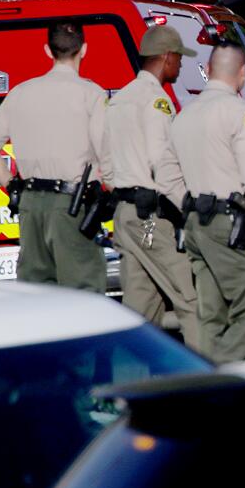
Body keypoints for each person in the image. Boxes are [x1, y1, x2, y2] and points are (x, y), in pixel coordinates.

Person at [170, 41, 245, 363]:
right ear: (243, 73)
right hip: (227, 223)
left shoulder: (184, 115)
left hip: (194, 223)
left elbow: (168, 170)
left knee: (211, 313)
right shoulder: (240, 113)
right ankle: (223, 374)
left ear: (208, 71)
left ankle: (203, 388)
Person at [103, 25, 200, 352]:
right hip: (152, 218)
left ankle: (133, 390)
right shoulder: (156, 101)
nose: (181, 66)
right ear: (166, 57)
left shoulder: (119, 98)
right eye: (179, 59)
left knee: (140, 311)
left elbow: (105, 158)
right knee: (191, 301)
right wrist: (188, 204)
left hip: (126, 214)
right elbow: (164, 162)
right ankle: (214, 384)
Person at [0, 22, 110, 293]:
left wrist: (10, 184)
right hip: (71, 204)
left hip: (29, 204)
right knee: (84, 292)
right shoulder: (90, 94)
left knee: (37, 296)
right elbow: (108, 153)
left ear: (48, 50)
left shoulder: (20, 93)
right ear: (84, 50)